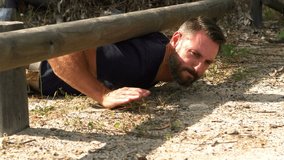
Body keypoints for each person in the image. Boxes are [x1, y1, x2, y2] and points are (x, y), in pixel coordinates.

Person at [31, 16, 225, 109]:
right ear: (175, 40)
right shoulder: (137, 59)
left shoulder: (164, 55)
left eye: (208, 62)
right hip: (26, 69)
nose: (199, 69)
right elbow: (61, 48)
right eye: (194, 54)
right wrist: (102, 95)